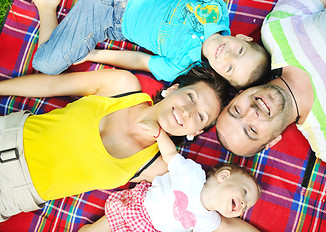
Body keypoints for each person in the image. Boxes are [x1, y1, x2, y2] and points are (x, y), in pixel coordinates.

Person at [0, 61, 232, 221]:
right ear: (172, 89)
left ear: (196, 132)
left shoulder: (159, 166)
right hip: (9, 136)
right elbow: (53, 85)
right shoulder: (122, 85)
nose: (188, 111)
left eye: (201, 116)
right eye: (191, 96)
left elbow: (202, 205)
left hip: (14, 194)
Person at [216, 0, 326, 186]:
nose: (252, 112)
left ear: (239, 94)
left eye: (237, 110)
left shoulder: (277, 30)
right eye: (251, 130)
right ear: (272, 141)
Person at [24, 0, 270, 89]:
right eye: (239, 51)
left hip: (106, 18)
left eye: (229, 68)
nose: (226, 55)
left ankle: (46, 4)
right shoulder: (216, 9)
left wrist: (92, 55)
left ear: (220, 75)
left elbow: (141, 60)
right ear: (243, 37)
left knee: (46, 64)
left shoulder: (184, 66)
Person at [78, 119, 260, 232]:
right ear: (224, 176)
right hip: (139, 209)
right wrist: (159, 134)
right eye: (244, 192)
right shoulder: (193, 175)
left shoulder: (210, 222)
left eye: (246, 206)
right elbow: (171, 155)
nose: (244, 204)